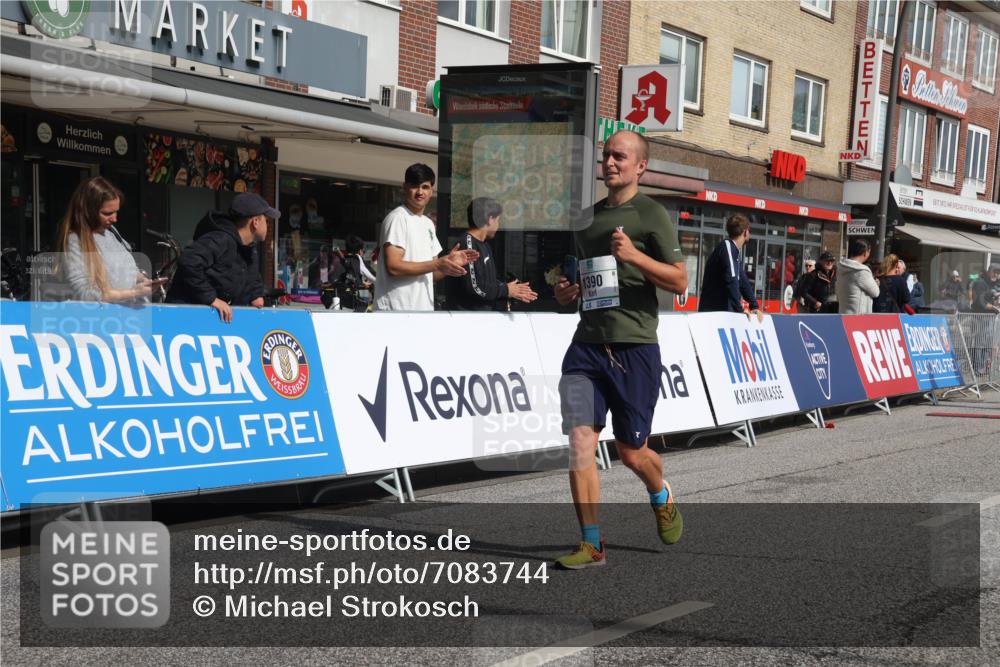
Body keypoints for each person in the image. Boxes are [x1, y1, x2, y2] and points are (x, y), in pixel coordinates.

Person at [552, 130, 688, 569]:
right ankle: (591, 543)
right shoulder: (587, 221)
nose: (610, 162)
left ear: (640, 166)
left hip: (634, 347)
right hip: (586, 346)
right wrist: (566, 295)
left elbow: (680, 281)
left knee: (631, 452)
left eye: (620, 156)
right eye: (606, 155)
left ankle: (660, 493)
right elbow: (585, 283)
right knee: (579, 443)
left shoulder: (651, 215)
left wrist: (634, 256)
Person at [373, 163, 478, 311]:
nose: (420, 192)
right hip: (395, 312)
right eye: (414, 186)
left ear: (431, 190)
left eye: (425, 187)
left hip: (421, 311)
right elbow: (394, 267)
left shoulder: (428, 223)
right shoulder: (398, 218)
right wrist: (437, 264)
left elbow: (431, 274)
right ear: (404, 187)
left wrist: (448, 264)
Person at [166, 192, 274, 323]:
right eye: (266, 220)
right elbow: (188, 261)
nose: (268, 226)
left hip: (212, 322)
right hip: (184, 317)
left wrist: (256, 296)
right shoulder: (221, 239)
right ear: (255, 222)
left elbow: (252, 278)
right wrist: (212, 299)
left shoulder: (249, 249)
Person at [56, 176, 158, 303]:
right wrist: (134, 293)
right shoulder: (75, 240)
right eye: (107, 213)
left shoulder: (111, 232)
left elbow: (124, 270)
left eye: (116, 212)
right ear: (88, 210)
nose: (115, 219)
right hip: (104, 319)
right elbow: (84, 293)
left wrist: (141, 279)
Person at [443, 197, 538, 311]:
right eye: (498, 220)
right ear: (490, 219)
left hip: (486, 316)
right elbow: (475, 287)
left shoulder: (485, 245)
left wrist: (511, 289)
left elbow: (488, 283)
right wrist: (506, 290)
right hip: (468, 319)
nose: (498, 226)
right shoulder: (467, 244)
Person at [697, 213, 762, 318]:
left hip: (721, 313)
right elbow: (732, 280)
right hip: (713, 314)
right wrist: (740, 310)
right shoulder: (727, 247)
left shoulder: (734, 251)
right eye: (749, 231)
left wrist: (754, 306)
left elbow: (742, 281)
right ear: (745, 232)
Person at [970, 263, 1000, 374]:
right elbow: (980, 302)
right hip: (979, 318)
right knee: (978, 344)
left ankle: (983, 368)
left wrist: (996, 300)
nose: (996, 275)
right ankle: (977, 369)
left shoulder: (992, 285)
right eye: (994, 272)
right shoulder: (980, 283)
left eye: (998, 273)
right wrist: (994, 307)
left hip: (989, 318)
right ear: (989, 271)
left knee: (987, 344)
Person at [836, 238, 879, 315]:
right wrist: (876, 283)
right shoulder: (861, 271)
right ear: (865, 252)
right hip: (858, 316)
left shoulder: (841, 267)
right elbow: (875, 292)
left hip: (843, 313)